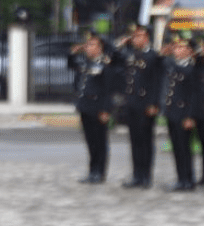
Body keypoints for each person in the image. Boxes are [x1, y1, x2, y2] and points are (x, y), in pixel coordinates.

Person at [112, 24, 161, 188]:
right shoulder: (131, 54)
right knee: (134, 140)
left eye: (139, 35)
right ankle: (136, 175)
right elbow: (113, 59)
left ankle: (146, 176)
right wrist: (120, 43)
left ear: (146, 37)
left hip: (146, 105)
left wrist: (154, 104)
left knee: (146, 140)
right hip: (132, 103)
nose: (135, 38)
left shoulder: (153, 56)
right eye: (134, 36)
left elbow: (156, 82)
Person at [69, 32, 115, 184]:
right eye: (87, 45)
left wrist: (106, 110)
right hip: (85, 107)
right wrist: (73, 52)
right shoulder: (86, 63)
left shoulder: (106, 64)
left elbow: (109, 90)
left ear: (100, 47)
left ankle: (99, 172)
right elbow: (71, 65)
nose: (88, 48)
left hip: (98, 108)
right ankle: (92, 171)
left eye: (92, 45)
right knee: (90, 142)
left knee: (100, 142)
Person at [159, 33, 200, 190]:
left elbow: (194, 95)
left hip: (184, 115)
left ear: (189, 51)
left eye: (182, 47)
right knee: (177, 147)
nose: (177, 50)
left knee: (185, 148)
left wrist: (190, 116)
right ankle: (181, 178)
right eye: (176, 47)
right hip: (172, 112)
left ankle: (188, 180)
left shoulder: (192, 68)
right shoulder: (172, 65)